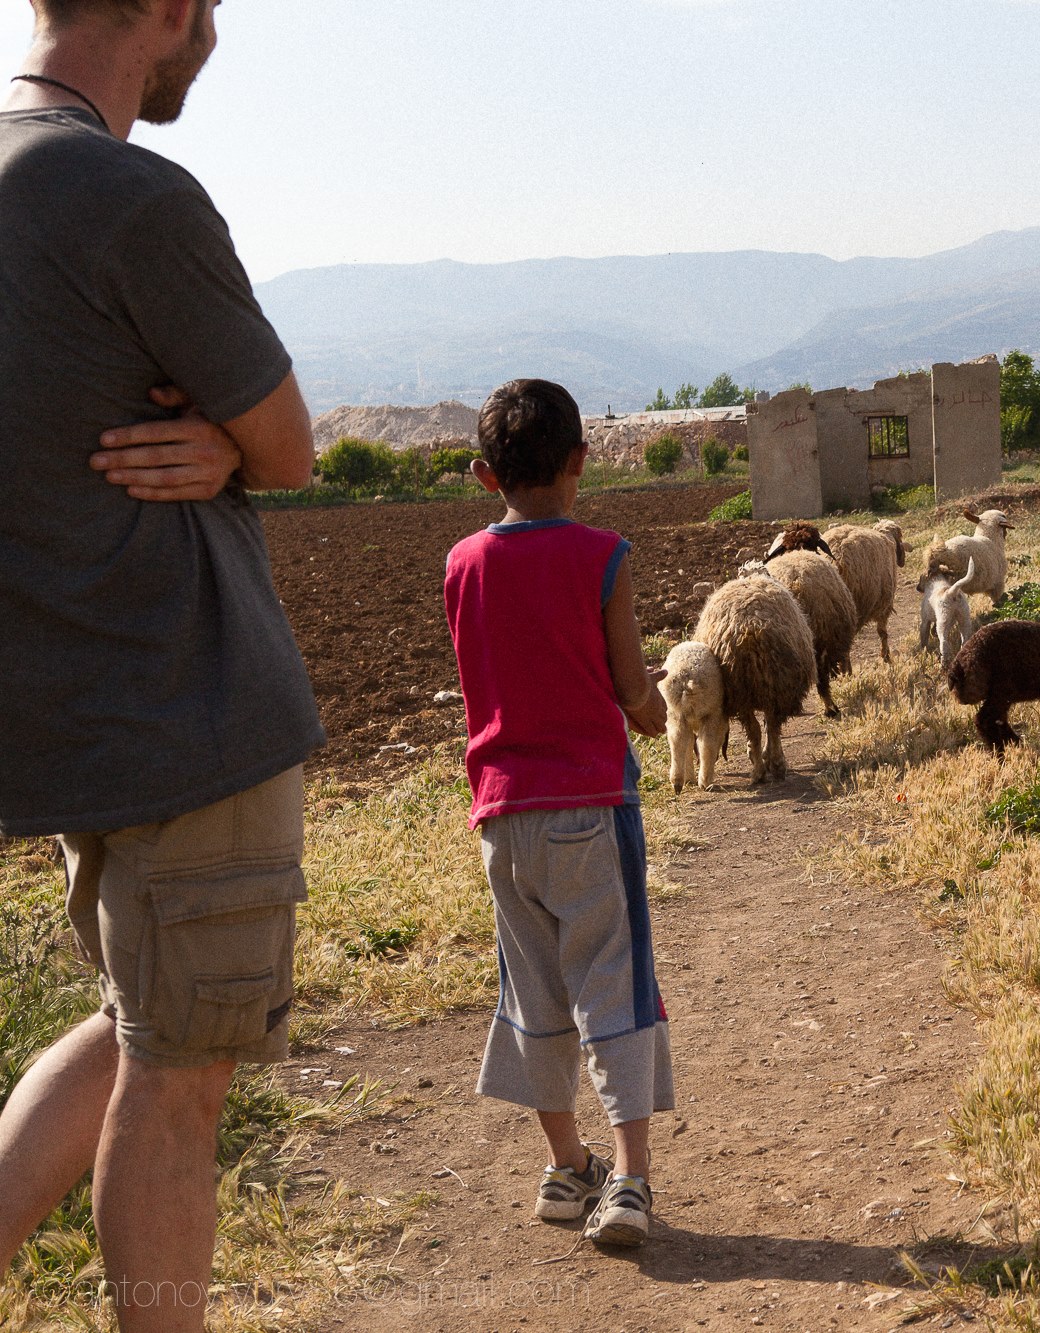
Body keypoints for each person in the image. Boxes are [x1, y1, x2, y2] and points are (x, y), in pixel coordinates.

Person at [0, 1, 323, 1328]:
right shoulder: (127, 196)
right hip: (186, 713)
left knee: (143, 1026)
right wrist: (239, 448)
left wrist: (217, 445)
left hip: (69, 716)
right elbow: (295, 443)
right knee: (180, 1082)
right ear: (171, 10)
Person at [443, 379, 675, 1247]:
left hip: (501, 819)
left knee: (531, 985)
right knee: (614, 982)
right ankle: (630, 1179)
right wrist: (651, 710)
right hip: (590, 807)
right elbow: (630, 691)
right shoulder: (604, 554)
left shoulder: (461, 565)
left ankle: (565, 1166)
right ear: (582, 461)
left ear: (481, 474)